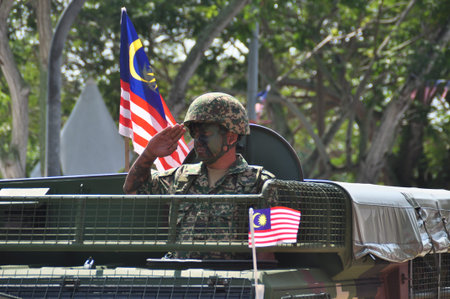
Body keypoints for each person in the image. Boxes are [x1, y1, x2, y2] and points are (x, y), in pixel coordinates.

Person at [123, 92, 275, 259]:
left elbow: (265, 252)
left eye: (206, 134)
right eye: (195, 133)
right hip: (181, 279)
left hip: (230, 281)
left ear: (231, 137)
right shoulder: (181, 177)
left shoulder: (260, 184)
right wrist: (149, 153)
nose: (198, 141)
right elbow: (132, 188)